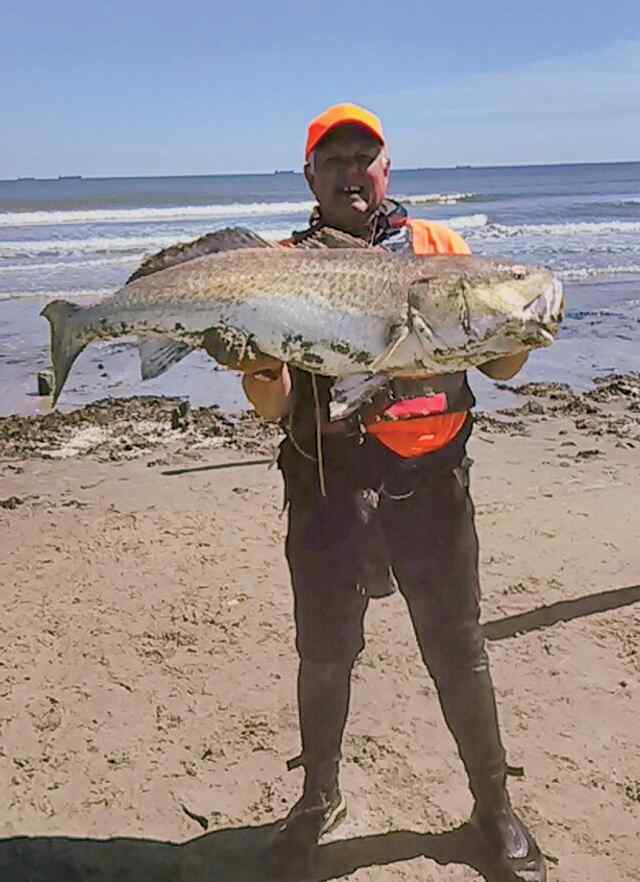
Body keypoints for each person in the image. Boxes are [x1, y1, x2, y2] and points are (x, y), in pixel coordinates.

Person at [207, 103, 546, 881]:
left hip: (432, 485)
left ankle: (493, 809)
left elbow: (496, 370)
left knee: (459, 652)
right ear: (311, 179)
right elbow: (272, 405)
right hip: (327, 488)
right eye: (334, 161)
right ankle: (316, 797)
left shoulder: (441, 250)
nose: (350, 172)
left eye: (364, 157)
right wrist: (255, 362)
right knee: (324, 656)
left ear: (386, 169)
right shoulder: (282, 266)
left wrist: (521, 334)